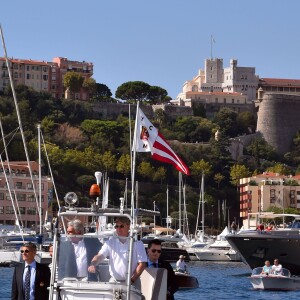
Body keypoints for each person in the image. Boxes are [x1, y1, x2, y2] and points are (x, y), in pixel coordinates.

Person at [88, 216, 147, 289]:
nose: (118, 229)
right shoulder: (110, 243)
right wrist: (93, 264)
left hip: (133, 282)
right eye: (116, 226)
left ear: (128, 226)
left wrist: (131, 280)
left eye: (121, 226)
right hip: (114, 282)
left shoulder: (137, 243)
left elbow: (142, 264)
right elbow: (100, 256)